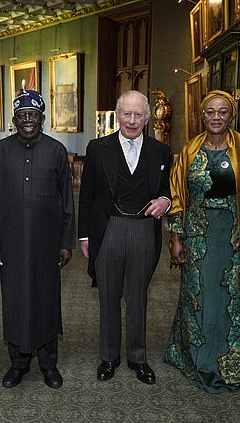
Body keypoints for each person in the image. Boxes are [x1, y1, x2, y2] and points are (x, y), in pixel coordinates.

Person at [164, 90, 240, 393]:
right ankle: (196, 360)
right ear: (201, 116)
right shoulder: (189, 151)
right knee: (198, 299)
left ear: (231, 116)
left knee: (232, 301)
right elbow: (177, 197)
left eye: (222, 112)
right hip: (198, 240)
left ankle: (232, 363)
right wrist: (176, 237)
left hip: (234, 240)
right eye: (210, 112)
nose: (216, 118)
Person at [78, 90, 173, 385]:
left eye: (138, 115)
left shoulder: (161, 152)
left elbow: (170, 189)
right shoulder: (97, 148)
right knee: (108, 295)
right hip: (108, 229)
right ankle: (109, 357)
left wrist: (166, 202)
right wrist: (84, 236)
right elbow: (87, 195)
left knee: (137, 297)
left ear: (146, 118)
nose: (132, 120)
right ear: (117, 116)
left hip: (144, 229)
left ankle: (138, 357)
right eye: (126, 114)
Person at [0, 89, 76, 390]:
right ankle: (18, 364)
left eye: (33, 115)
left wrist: (66, 242)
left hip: (47, 242)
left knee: (46, 300)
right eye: (22, 115)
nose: (28, 120)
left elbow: (66, 201)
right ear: (14, 119)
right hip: (10, 243)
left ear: (42, 119)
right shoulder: (1, 151)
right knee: (15, 301)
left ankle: (49, 364)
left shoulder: (56, 151)